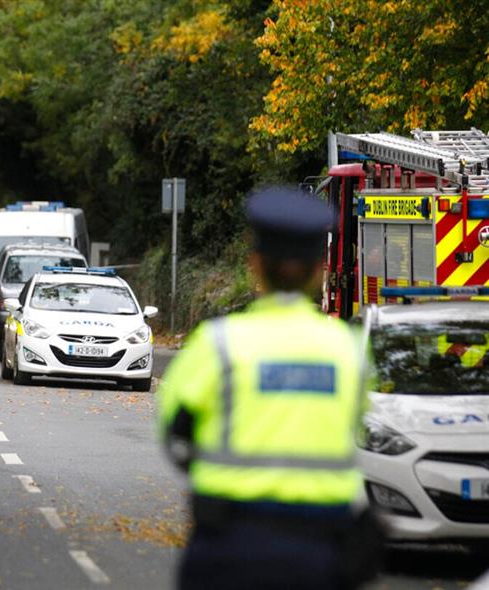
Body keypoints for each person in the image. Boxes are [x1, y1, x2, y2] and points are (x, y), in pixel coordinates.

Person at [157, 187, 383, 590]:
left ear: (255, 265)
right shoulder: (349, 351)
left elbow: (176, 435)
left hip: (230, 548)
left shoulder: (217, 344)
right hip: (322, 553)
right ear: (320, 270)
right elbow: (362, 433)